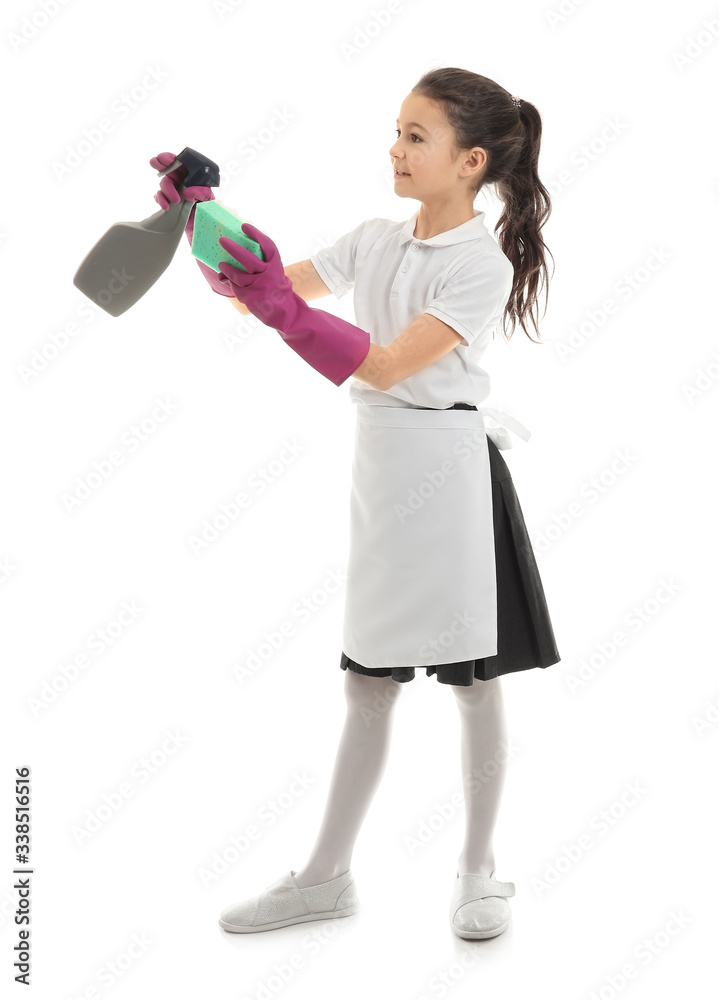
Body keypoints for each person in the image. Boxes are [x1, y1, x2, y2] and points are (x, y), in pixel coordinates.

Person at [151, 65, 560, 941]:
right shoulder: (376, 238)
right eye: (397, 131)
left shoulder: (479, 266)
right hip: (382, 472)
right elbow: (261, 289)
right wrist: (201, 218)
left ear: (471, 160)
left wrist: (274, 307)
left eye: (418, 136)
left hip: (452, 479)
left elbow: (382, 362)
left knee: (474, 685)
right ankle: (325, 877)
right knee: (367, 680)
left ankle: (479, 870)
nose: (397, 148)